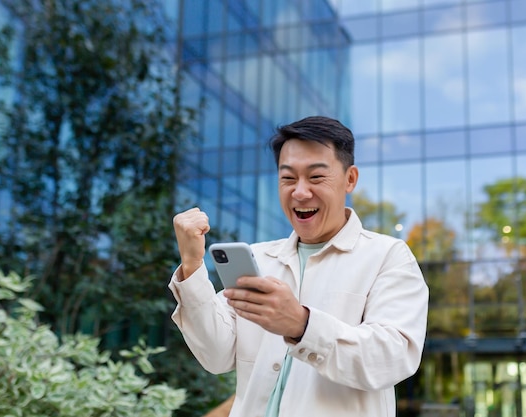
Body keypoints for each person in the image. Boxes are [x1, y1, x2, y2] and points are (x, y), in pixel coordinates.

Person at [168, 116, 429, 417]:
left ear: (350, 179)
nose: (300, 192)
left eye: (316, 177)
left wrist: (301, 325)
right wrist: (192, 267)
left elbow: (393, 358)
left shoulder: (388, 256)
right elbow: (215, 356)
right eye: (288, 178)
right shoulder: (259, 259)